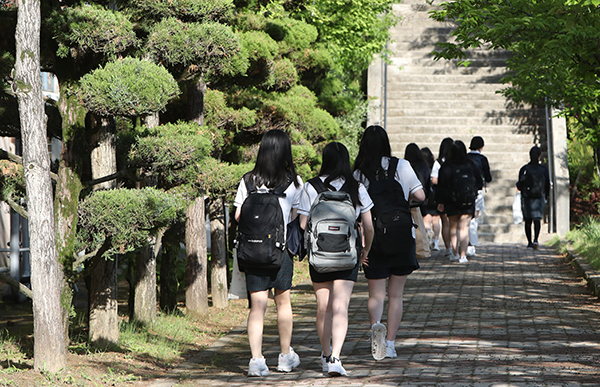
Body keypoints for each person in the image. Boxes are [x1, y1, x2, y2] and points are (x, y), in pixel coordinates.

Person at [298, 142, 374, 377]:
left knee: (323, 308)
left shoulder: (311, 187)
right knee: (341, 307)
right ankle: (336, 358)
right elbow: (369, 227)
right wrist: (365, 252)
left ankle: (324, 353)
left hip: (319, 256)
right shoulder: (357, 187)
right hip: (347, 256)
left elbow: (302, 224)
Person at [233, 129, 303, 377]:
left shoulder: (248, 180)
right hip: (280, 252)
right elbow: (296, 219)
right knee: (283, 303)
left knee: (257, 307)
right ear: (285, 151)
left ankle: (256, 360)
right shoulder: (294, 182)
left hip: (253, 251)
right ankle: (285, 357)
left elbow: (238, 216)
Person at [353, 125, 425, 360]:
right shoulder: (401, 165)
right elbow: (421, 196)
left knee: (376, 294)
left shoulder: (359, 173)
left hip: (373, 239)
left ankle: (376, 330)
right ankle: (391, 344)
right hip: (402, 235)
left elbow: (355, 209)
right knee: (396, 294)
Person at [435, 140, 483, 263]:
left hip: (452, 201)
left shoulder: (447, 166)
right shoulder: (470, 164)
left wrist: (440, 201)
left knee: (453, 227)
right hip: (468, 200)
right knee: (464, 228)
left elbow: (441, 185)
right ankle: (463, 256)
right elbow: (479, 182)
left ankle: (454, 253)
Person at [516, 146, 550, 249]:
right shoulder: (543, 169)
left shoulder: (524, 169)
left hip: (527, 196)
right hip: (539, 196)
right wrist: (546, 196)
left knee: (528, 220)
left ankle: (529, 242)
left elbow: (519, 184)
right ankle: (536, 239)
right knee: (537, 219)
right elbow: (547, 183)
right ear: (539, 156)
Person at [467, 136, 493, 257]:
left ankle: (464, 244)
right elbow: (488, 177)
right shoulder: (482, 159)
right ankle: (472, 245)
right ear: (481, 146)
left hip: (463, 191)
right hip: (477, 191)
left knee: (464, 219)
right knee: (474, 218)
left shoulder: (465, 158)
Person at [430, 137, 454, 255]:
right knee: (454, 222)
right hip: (455, 195)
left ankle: (448, 248)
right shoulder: (456, 161)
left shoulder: (438, 162)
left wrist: (443, 181)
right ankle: (456, 247)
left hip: (443, 195)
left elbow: (434, 180)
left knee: (445, 223)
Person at [420, 147, 439, 249]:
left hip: (426, 197)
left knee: (426, 220)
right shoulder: (434, 167)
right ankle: (436, 242)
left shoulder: (422, 168)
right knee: (436, 220)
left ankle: (427, 234)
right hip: (435, 196)